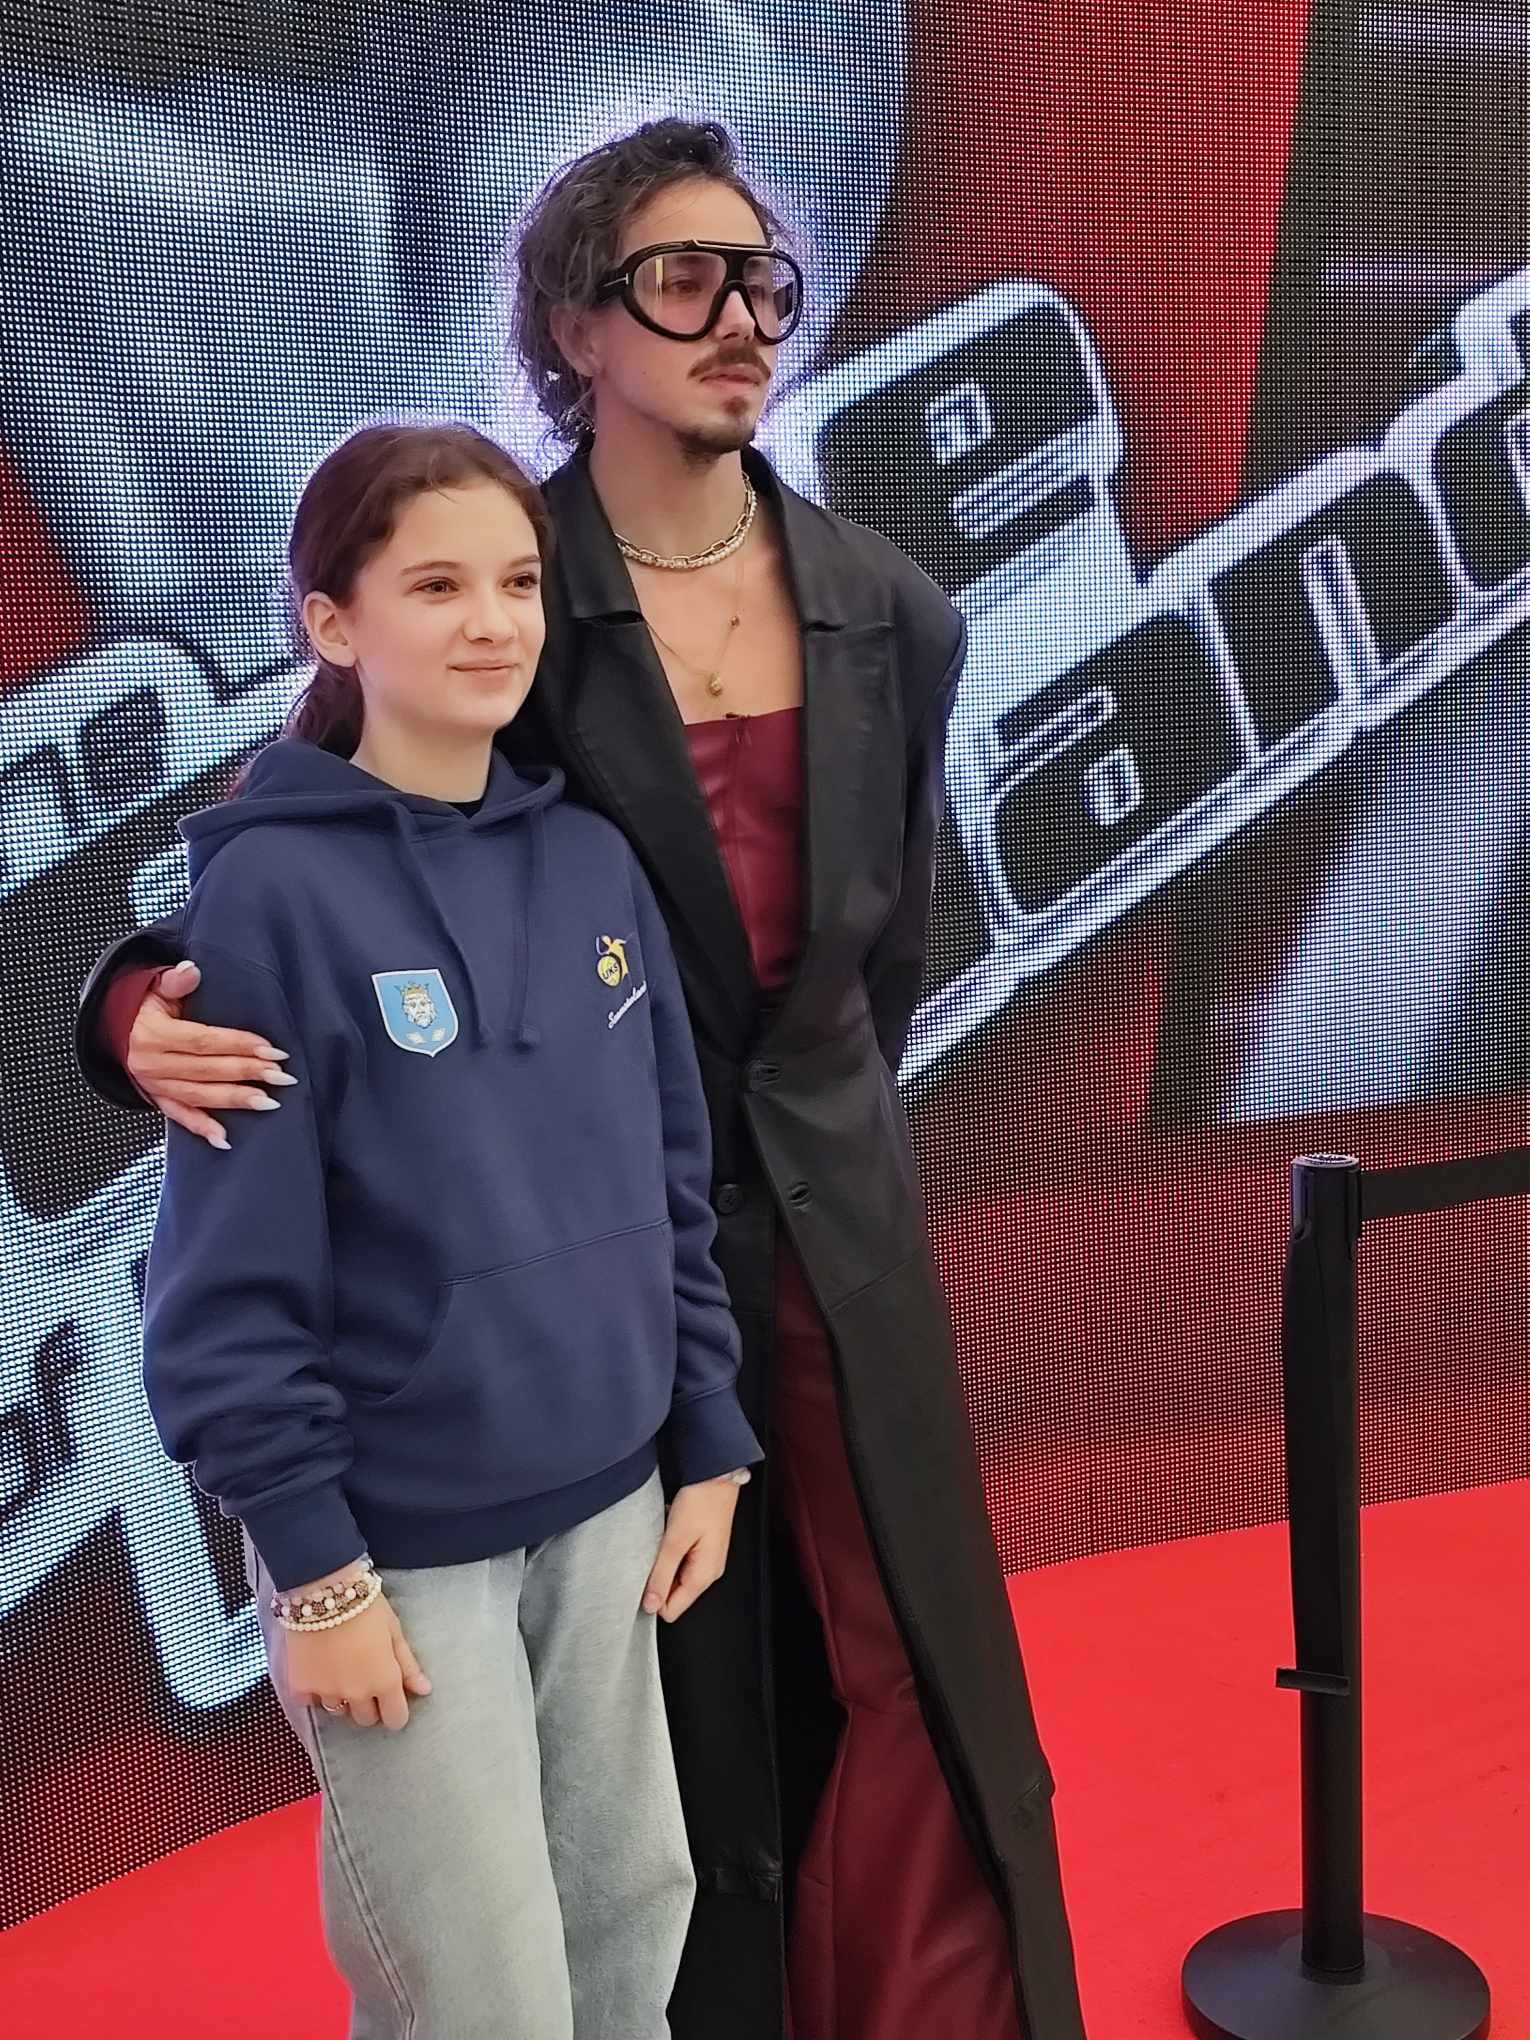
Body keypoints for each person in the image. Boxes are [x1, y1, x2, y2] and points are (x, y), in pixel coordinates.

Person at [78, 122, 1084, 2040]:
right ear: (574, 323)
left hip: (813, 1253)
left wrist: (806, 1161)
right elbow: (315, 841)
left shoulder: (888, 608)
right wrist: (127, 1005)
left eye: (762, 277)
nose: (743, 317)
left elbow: (888, 950)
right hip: (551, 1308)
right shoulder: (498, 582)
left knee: (888, 1666)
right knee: (610, 1792)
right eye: (684, 278)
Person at [138, 420, 761, 2040]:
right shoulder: (268, 900)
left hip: (614, 1511)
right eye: (434, 586)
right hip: (399, 1559)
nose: (491, 623)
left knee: (632, 1933)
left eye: (515, 583)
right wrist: (316, 1576)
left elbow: (669, 1175)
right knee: (480, 2000)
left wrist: (705, 1435)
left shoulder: (592, 861)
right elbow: (222, 1286)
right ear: (331, 622)